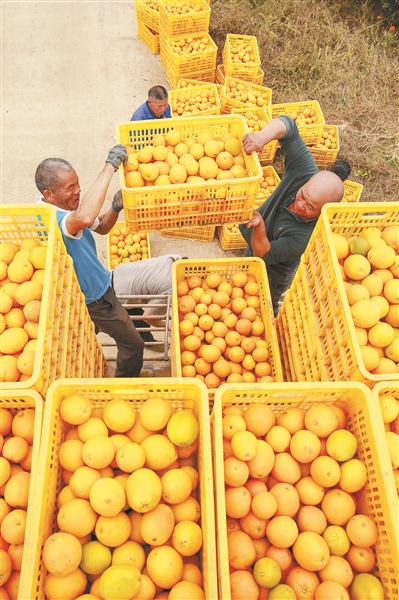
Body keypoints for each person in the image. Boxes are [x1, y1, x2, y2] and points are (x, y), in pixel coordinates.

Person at [34, 146, 152, 378]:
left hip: (87, 291)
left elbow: (102, 227)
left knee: (83, 337)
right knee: (133, 344)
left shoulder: (65, 206)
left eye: (78, 183)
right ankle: (125, 385)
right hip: (95, 298)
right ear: (49, 194)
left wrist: (114, 208)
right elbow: (85, 217)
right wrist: (110, 165)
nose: (78, 191)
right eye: (70, 188)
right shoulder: (53, 219)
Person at [240, 116, 344, 317]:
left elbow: (265, 255)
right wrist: (261, 138)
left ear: (324, 210)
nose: (300, 205)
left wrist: (260, 226)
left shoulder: (306, 236)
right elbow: (288, 125)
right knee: (241, 289)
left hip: (273, 274)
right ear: (308, 181)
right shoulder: (304, 171)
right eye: (303, 195)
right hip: (254, 246)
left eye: (311, 206)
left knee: (263, 309)